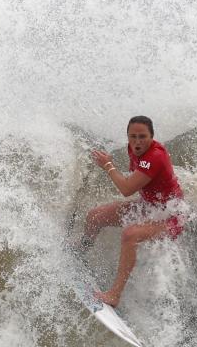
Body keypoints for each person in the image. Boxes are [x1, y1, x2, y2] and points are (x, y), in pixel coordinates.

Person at [78, 115, 184, 307]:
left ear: (152, 136)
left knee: (130, 235)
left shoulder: (155, 156)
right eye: (132, 136)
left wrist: (108, 165)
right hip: (149, 206)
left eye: (142, 137)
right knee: (94, 216)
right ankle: (81, 252)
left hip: (171, 215)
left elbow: (127, 189)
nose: (137, 142)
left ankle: (114, 295)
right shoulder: (133, 149)